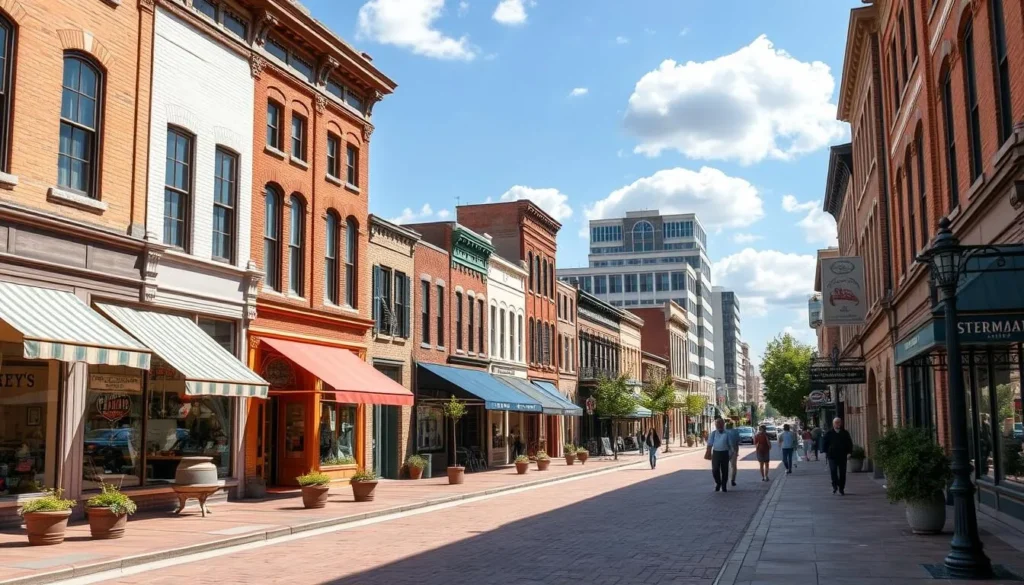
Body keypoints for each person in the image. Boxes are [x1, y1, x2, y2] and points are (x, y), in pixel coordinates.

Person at [823, 417, 853, 495]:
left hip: (842, 455)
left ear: (841, 423)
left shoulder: (845, 433)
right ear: (833, 424)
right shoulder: (829, 433)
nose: (838, 424)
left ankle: (841, 488)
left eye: (839, 422)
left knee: (842, 473)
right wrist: (826, 451)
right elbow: (824, 443)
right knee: (833, 471)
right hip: (832, 456)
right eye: (836, 423)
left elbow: (849, 443)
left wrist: (849, 452)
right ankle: (835, 485)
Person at [707, 418, 737, 492]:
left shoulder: (727, 434)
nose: (719, 425)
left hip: (724, 453)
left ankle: (724, 485)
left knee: (725, 470)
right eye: (718, 424)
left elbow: (731, 445)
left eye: (721, 424)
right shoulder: (713, 433)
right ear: (716, 425)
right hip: (716, 453)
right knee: (715, 470)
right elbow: (710, 444)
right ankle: (718, 483)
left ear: (724, 425)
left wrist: (731, 453)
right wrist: (708, 452)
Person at [725, 421, 740, 486]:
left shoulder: (723, 432)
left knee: (724, 466)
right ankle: (733, 480)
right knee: (734, 466)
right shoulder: (736, 432)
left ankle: (725, 480)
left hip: (725, 450)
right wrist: (737, 452)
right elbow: (738, 442)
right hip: (733, 450)